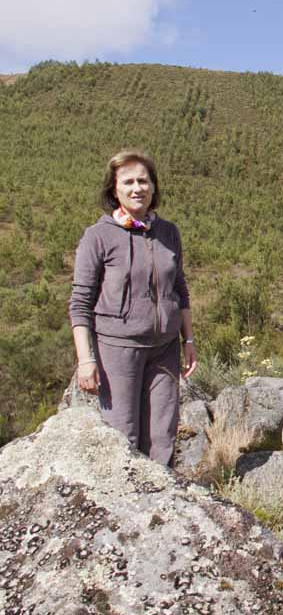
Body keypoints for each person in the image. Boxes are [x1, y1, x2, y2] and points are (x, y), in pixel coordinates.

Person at [69, 150, 197, 466]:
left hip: (165, 348)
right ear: (114, 190)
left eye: (144, 180)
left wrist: (188, 341)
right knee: (122, 436)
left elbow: (179, 288)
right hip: (118, 349)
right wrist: (86, 360)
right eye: (128, 182)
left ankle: (161, 509)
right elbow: (80, 302)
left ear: (154, 187)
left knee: (162, 437)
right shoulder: (98, 236)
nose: (137, 187)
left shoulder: (168, 232)